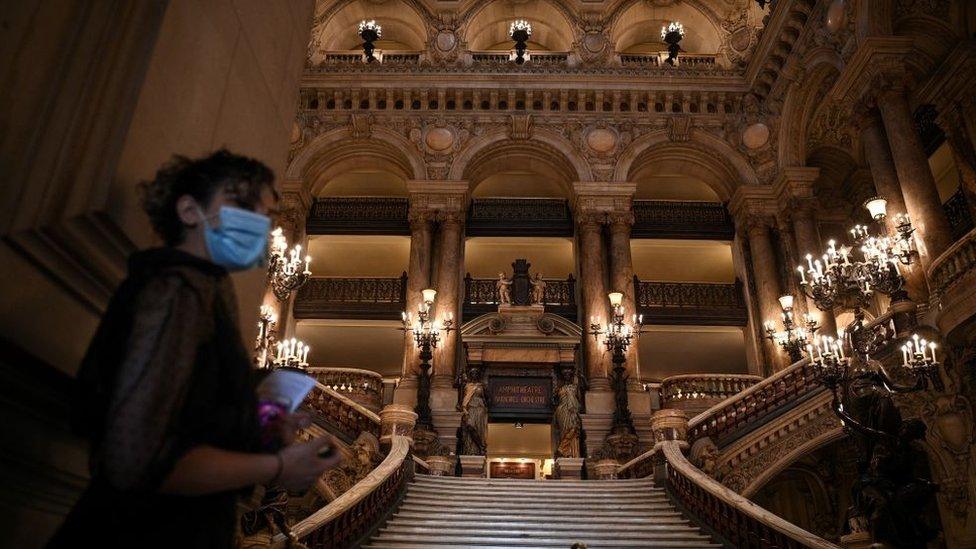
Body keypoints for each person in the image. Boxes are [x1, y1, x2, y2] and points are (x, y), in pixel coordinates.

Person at [49, 150, 340, 548]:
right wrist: (276, 467)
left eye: (266, 216)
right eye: (241, 205)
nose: (257, 224)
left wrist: (256, 428)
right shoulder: (176, 291)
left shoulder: (208, 288)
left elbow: (190, 420)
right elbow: (135, 460)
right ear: (188, 210)